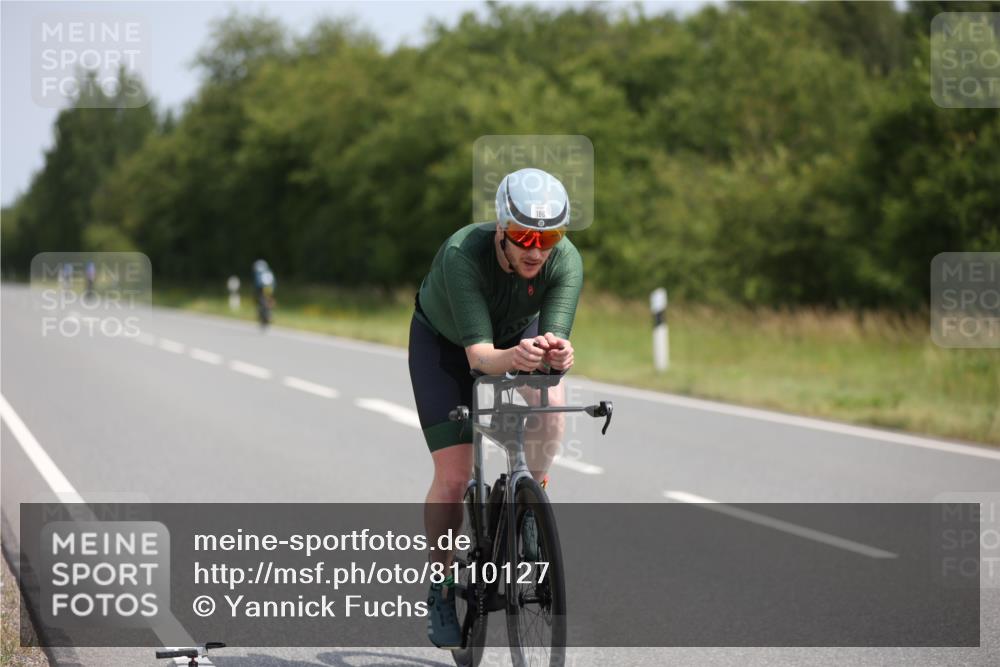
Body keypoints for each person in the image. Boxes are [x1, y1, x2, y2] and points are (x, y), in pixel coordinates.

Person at [408, 167, 583, 648]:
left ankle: (530, 503)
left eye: (548, 236)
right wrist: (516, 358)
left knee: (553, 400)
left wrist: (558, 357)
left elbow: (552, 352)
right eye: (524, 235)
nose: (535, 249)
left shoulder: (564, 261)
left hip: (511, 336)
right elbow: (480, 359)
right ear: (503, 229)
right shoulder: (465, 253)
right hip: (445, 345)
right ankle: (442, 584)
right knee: (453, 476)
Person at [252, 259, 276, 328]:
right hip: (270, 288)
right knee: (269, 300)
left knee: (260, 300)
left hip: (262, 288)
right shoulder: (269, 271)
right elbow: (274, 282)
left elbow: (257, 284)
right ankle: (269, 313)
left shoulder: (259, 273)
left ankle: (265, 313)